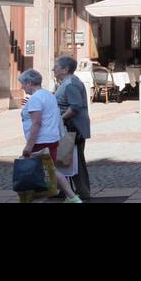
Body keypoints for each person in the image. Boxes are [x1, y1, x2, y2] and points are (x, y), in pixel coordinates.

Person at [19, 69, 78, 204]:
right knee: (51, 170)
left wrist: (29, 146)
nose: (22, 87)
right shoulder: (48, 95)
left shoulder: (35, 99)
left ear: (29, 82)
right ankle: (71, 197)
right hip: (52, 139)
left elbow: (36, 123)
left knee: (39, 172)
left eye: (23, 83)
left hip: (39, 141)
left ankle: (71, 198)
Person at [53, 54, 91, 201]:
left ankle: (82, 191)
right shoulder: (67, 82)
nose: (53, 69)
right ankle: (65, 190)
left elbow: (75, 107)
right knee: (65, 160)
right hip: (69, 128)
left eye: (56, 67)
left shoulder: (71, 84)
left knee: (75, 161)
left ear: (65, 69)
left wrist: (61, 119)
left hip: (72, 129)